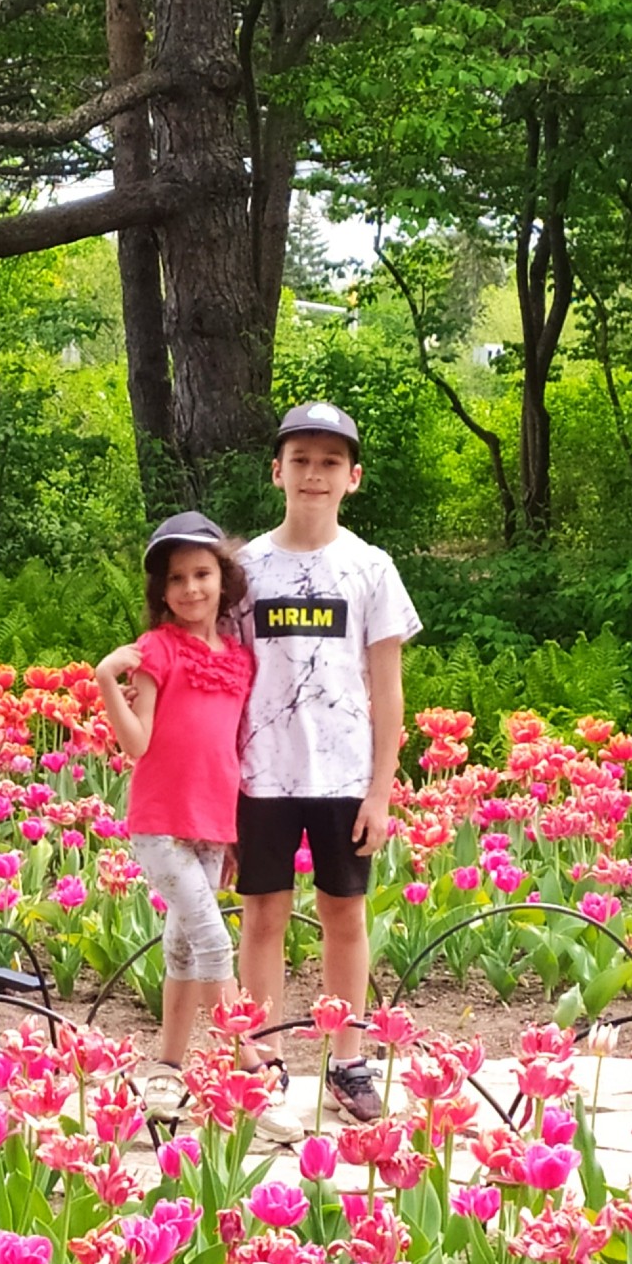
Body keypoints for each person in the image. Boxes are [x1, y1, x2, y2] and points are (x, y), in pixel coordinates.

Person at [233, 401, 422, 1123]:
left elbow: (388, 689)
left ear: (355, 478)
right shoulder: (244, 569)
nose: (315, 474)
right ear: (276, 470)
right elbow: (227, 680)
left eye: (331, 462)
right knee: (263, 917)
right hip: (261, 777)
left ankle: (349, 1060)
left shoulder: (370, 568)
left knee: (345, 915)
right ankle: (263, 1057)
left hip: (344, 780)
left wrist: (380, 791)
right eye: (302, 460)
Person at [95, 510, 304, 1143]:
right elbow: (137, 744)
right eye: (177, 578)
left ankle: (165, 1069)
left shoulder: (239, 659)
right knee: (213, 944)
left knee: (184, 947)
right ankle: (249, 1072)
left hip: (213, 824)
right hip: (159, 823)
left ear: (224, 579)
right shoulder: (156, 650)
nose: (191, 589)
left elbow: (233, 747)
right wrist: (108, 679)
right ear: (161, 590)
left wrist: (237, 831)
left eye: (202, 574)